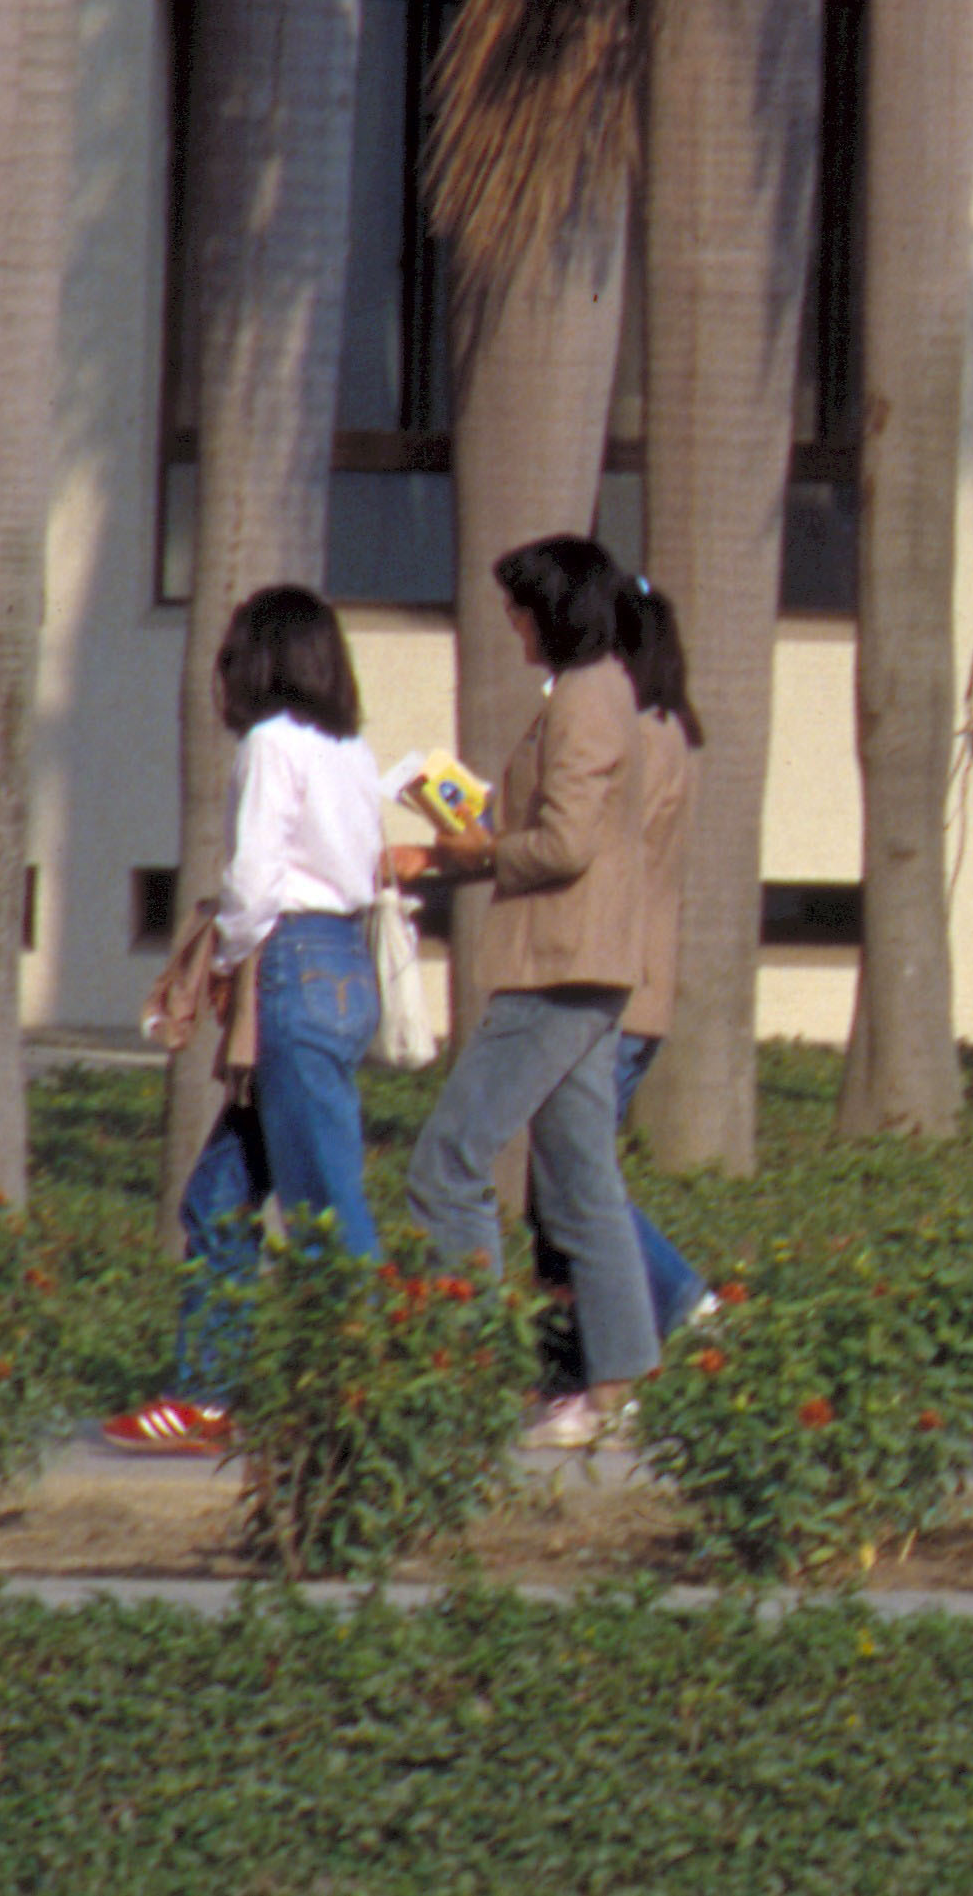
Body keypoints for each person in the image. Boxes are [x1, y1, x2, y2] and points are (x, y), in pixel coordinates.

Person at [391, 534, 664, 1450]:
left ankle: (472, 1377)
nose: (511, 623)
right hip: (588, 965)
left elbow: (564, 845)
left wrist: (480, 849)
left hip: (558, 967)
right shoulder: (603, 689)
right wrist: (460, 848)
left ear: (553, 611)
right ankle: (619, 1387)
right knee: (581, 1178)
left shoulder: (584, 700)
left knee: (447, 1163)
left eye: (518, 608)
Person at [106, 587, 392, 1454]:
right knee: (220, 1196)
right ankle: (206, 1394)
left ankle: (368, 1397)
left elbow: (255, 878)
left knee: (323, 1205)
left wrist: (226, 957)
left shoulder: (270, 743)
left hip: (291, 962)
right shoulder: (349, 747)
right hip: (342, 962)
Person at [533, 577, 707, 1380]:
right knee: (569, 1178)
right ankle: (586, 1349)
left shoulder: (641, 738)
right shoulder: (665, 732)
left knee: (577, 1182)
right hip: (635, 990)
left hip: (616, 991)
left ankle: (675, 1303)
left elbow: (590, 846)